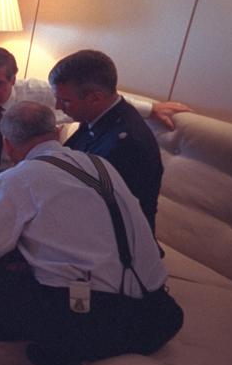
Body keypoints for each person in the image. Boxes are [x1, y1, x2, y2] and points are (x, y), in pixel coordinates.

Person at [0, 102, 183, 365]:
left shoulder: (21, 178)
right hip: (158, 312)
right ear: (56, 132)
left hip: (105, 323)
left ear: (7, 144)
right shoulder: (100, 165)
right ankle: (53, 357)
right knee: (36, 259)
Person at [0, 47, 188, 284]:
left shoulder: (117, 136)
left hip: (26, 176)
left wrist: (151, 108)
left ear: (14, 80)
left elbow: (104, 100)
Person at [49, 49, 188, 233]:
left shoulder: (127, 145)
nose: (58, 107)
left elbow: (96, 210)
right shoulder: (97, 117)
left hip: (118, 243)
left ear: (95, 98)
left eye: (65, 101)